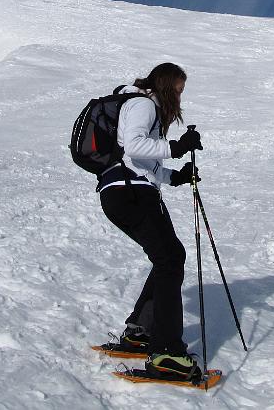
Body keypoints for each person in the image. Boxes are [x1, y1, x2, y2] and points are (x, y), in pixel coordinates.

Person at [98, 62, 204, 379]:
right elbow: (133, 145)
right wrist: (176, 147)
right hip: (130, 192)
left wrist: (177, 176)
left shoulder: (146, 107)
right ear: (164, 84)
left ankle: (140, 333)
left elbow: (145, 162)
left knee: (169, 257)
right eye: (177, 90)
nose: (179, 98)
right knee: (170, 258)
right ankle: (167, 353)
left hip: (127, 189)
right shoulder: (143, 104)